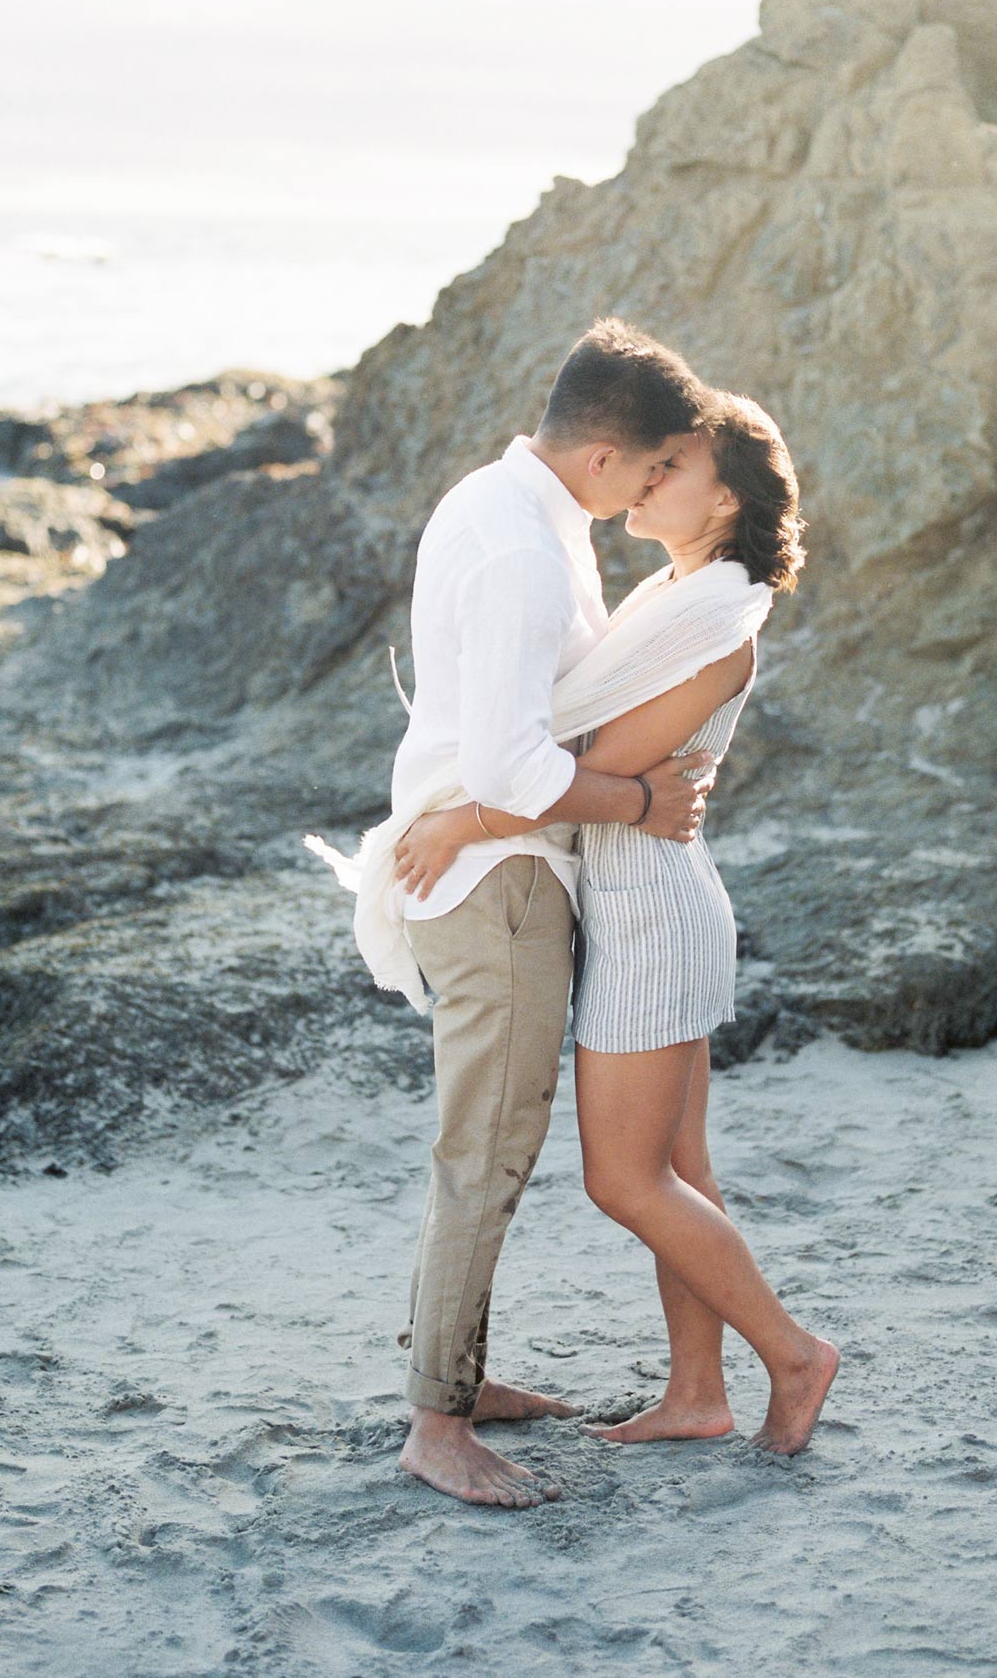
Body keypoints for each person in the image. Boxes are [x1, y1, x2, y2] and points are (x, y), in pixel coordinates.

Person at [310, 318, 721, 1509]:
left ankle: (461, 1377)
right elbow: (509, 771)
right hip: (494, 886)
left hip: (494, 873)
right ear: (604, 458)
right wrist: (641, 797)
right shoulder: (526, 556)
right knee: (485, 1148)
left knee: (488, 1141)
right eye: (649, 472)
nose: (653, 493)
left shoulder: (501, 505)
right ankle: (438, 1423)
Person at [395, 393, 840, 1459]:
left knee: (624, 1179)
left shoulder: (716, 627)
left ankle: (791, 1352)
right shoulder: (676, 592)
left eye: (671, 466)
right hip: (649, 899)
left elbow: (600, 771)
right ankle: (698, 1392)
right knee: (679, 1164)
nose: (646, 477)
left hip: (650, 916)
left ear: (721, 496)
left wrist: (462, 817)